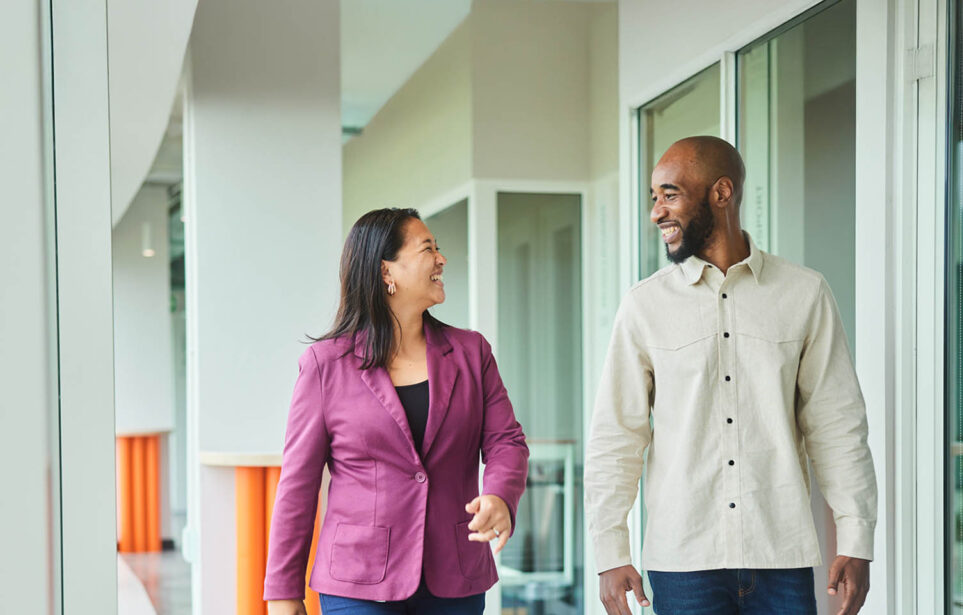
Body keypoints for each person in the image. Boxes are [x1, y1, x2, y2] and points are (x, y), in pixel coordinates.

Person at [584, 136, 877, 615]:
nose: (656, 212)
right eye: (654, 197)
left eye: (670, 194)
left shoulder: (804, 294)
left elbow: (838, 423)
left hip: (780, 554)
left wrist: (857, 536)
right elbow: (617, 435)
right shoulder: (644, 306)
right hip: (683, 561)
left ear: (722, 193)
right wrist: (609, 553)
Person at [264, 208, 529, 615]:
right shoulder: (325, 365)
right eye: (428, 249)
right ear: (386, 271)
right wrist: (283, 592)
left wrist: (498, 494)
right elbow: (297, 485)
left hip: (455, 576)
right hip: (357, 581)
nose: (442, 259)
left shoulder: (472, 353)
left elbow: (505, 441)